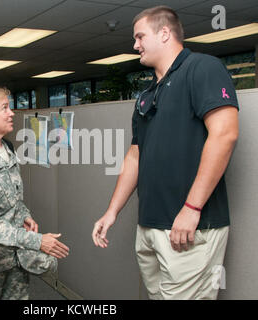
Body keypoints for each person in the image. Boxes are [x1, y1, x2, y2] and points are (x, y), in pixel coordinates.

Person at [92, 6, 239, 300]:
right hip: (150, 225)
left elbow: (225, 134)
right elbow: (135, 156)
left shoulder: (202, 68)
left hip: (188, 226)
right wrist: (112, 212)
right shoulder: (148, 94)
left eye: (140, 36)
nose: (135, 45)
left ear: (164, 33)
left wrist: (192, 208)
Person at [0, 87, 69, 300]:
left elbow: (13, 199)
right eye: (4, 107)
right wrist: (36, 241)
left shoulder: (6, 149)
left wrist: (24, 215)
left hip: (13, 258)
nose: (12, 112)